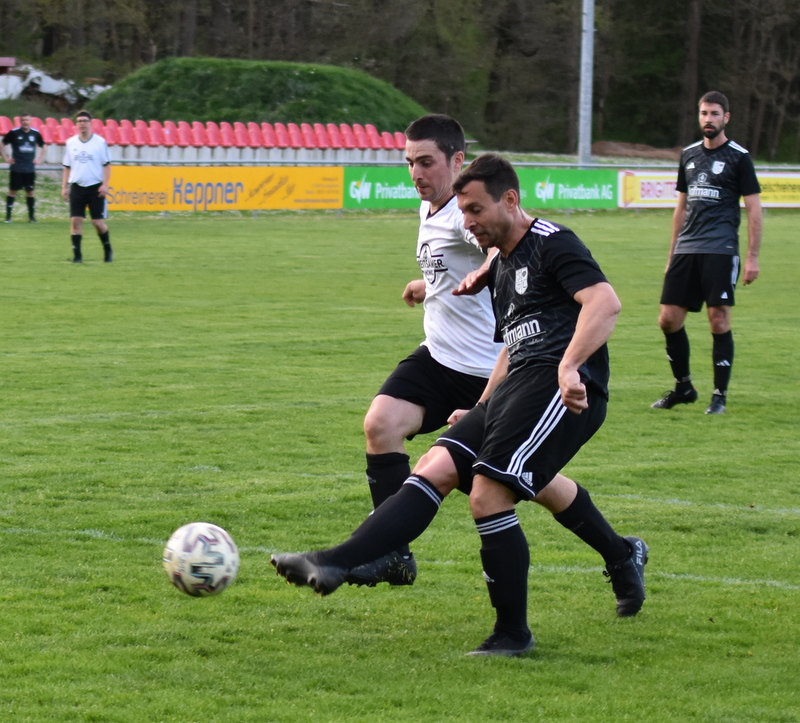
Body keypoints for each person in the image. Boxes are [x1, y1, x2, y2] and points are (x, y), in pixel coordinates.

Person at [271, 154, 648, 657]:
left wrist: (569, 365)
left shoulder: (553, 242)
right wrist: (481, 406)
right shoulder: (503, 263)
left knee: (488, 494)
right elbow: (513, 345)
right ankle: (337, 560)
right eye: (463, 212)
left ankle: (512, 633)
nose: (467, 222)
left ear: (509, 200)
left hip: (560, 392)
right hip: (518, 384)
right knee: (436, 465)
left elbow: (604, 302)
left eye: (474, 210)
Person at [346, 114, 502, 588]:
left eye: (426, 162)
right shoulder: (430, 206)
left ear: (458, 161)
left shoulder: (465, 213)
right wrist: (428, 285)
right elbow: (451, 266)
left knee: (503, 485)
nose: (416, 173)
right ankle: (393, 554)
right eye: (409, 162)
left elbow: (501, 246)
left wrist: (486, 269)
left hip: (485, 372)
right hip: (437, 356)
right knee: (381, 424)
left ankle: (619, 549)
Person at [652, 91, 762, 415]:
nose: (708, 119)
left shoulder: (739, 157)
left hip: (720, 248)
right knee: (668, 319)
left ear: (726, 117)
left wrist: (752, 256)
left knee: (718, 319)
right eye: (704, 113)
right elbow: (680, 208)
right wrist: (671, 254)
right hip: (687, 248)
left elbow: (754, 209)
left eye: (714, 113)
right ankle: (684, 388)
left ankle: (719, 397)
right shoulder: (688, 155)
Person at [61, 110, 113, 263]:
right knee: (75, 220)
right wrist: (64, 187)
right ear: (76, 124)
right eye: (79, 121)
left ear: (91, 123)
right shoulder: (71, 143)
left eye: (85, 121)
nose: (82, 124)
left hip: (95, 187)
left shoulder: (100, 142)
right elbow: (67, 167)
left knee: (97, 222)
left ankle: (107, 249)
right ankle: (77, 256)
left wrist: (105, 185)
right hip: (77, 187)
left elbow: (107, 165)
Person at [2, 113, 46, 223]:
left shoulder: (35, 133)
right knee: (12, 191)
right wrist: (6, 158)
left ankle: (31, 217)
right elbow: (2, 144)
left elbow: (44, 146)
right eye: (23, 120)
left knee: (30, 192)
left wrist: (39, 159)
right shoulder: (14, 132)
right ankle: (8, 217)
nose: (25, 122)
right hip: (17, 168)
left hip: (29, 169)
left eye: (27, 120)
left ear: (31, 121)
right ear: (20, 121)